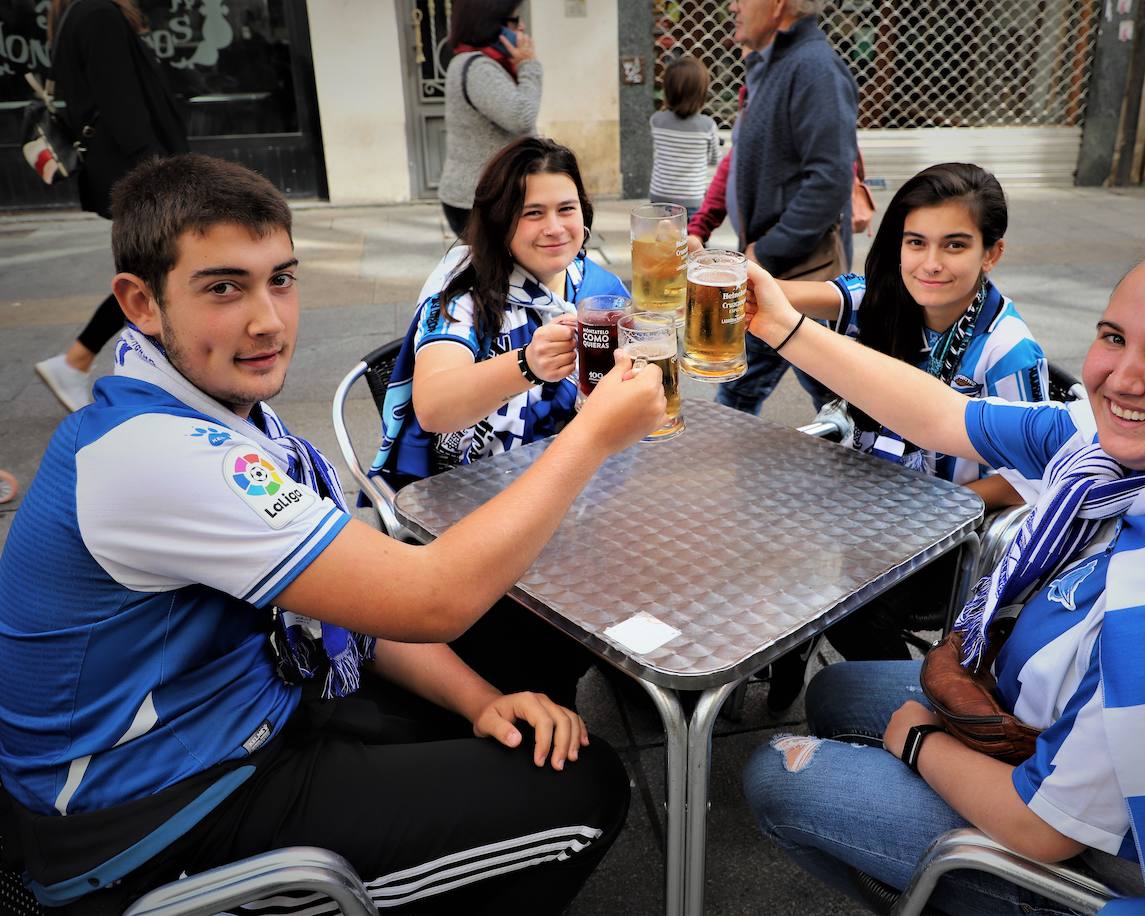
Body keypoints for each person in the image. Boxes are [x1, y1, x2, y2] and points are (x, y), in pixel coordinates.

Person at [0, 153, 667, 914]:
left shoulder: (217, 402)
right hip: (155, 821)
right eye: (223, 287)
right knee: (588, 790)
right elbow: (431, 599)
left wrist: (481, 701)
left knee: (517, 653)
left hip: (251, 712)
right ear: (140, 303)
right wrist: (595, 438)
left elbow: (353, 607)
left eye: (280, 279)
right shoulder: (150, 454)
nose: (267, 320)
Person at [740, 229, 1145, 914]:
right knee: (835, 693)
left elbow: (1042, 829)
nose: (1120, 379)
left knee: (777, 776)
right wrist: (781, 323)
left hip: (1130, 866)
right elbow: (945, 415)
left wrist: (917, 739)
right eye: (1113, 337)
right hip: (1121, 764)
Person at [370, 136, 629, 709]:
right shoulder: (462, 288)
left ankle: (633, 669)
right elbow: (435, 408)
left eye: (567, 209)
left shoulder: (597, 285)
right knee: (553, 635)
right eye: (531, 213)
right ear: (498, 221)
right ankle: (548, 699)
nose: (554, 227)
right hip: (468, 509)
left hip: (571, 487)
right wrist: (526, 364)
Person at [773, 163, 1047, 674]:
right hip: (862, 502)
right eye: (916, 242)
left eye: (955, 245)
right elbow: (786, 298)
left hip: (949, 532)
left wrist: (931, 508)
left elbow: (1028, 476)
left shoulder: (1007, 350)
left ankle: (904, 697)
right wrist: (723, 280)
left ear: (992, 253)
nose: (931, 263)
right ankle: (781, 653)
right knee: (765, 536)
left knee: (849, 608)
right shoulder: (881, 297)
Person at [34, 0, 188, 412]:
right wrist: (158, 171)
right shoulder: (99, 13)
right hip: (137, 168)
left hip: (119, 166)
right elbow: (121, 101)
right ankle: (89, 364)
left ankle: (81, 362)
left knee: (153, 271)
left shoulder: (74, 15)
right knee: (155, 274)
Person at [715, 0, 857, 416]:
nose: (733, 5)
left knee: (840, 405)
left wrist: (766, 251)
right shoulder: (779, 64)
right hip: (775, 273)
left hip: (797, 274)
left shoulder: (813, 67)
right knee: (739, 391)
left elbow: (830, 180)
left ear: (778, 4)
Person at [439, 0, 540, 237]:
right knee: (497, 272)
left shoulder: (481, 63)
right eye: (515, 20)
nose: (522, 27)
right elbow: (521, 116)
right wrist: (529, 66)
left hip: (484, 196)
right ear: (490, 24)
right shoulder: (478, 67)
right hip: (479, 202)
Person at [649, 54, 722, 218]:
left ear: (668, 90)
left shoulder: (656, 121)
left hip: (660, 197)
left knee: (663, 242)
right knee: (691, 241)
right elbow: (715, 159)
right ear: (701, 92)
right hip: (692, 199)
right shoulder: (708, 125)